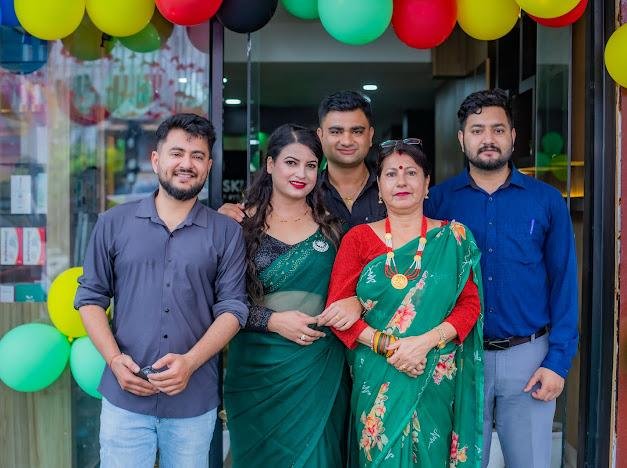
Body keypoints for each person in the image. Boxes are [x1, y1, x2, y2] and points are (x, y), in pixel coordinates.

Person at [74, 113, 248, 468]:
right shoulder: (113, 223)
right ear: (156, 160)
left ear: (209, 165)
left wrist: (190, 363)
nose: (186, 164)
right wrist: (114, 360)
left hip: (193, 401)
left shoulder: (226, 232)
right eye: (177, 153)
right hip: (125, 399)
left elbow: (233, 308)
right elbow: (90, 298)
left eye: (197, 156)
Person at [425, 89, 579, 468]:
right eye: (477, 130)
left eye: (497, 129)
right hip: (459, 355)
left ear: (513, 136)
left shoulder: (546, 201)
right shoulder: (437, 202)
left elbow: (564, 283)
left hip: (529, 357)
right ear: (462, 139)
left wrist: (558, 362)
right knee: (459, 462)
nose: (488, 139)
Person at [326, 139, 484, 467]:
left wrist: (423, 344)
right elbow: (339, 316)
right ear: (379, 187)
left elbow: (469, 306)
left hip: (433, 372)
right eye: (391, 174)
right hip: (377, 376)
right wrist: (393, 348)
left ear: (426, 184)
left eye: (411, 173)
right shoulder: (357, 240)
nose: (401, 181)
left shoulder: (453, 239)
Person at [223, 124, 358, 467]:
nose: (301, 174)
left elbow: (355, 289)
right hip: (256, 369)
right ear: (270, 164)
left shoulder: (333, 228)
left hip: (318, 367)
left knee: (317, 456)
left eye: (311, 165)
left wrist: (355, 302)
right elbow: (222, 300)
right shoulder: (238, 225)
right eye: (291, 163)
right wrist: (272, 321)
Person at [219, 90, 386, 227]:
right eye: (336, 131)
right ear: (320, 136)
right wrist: (226, 218)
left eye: (357, 131)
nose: (347, 141)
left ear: (370, 136)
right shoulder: (302, 189)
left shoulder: (392, 188)